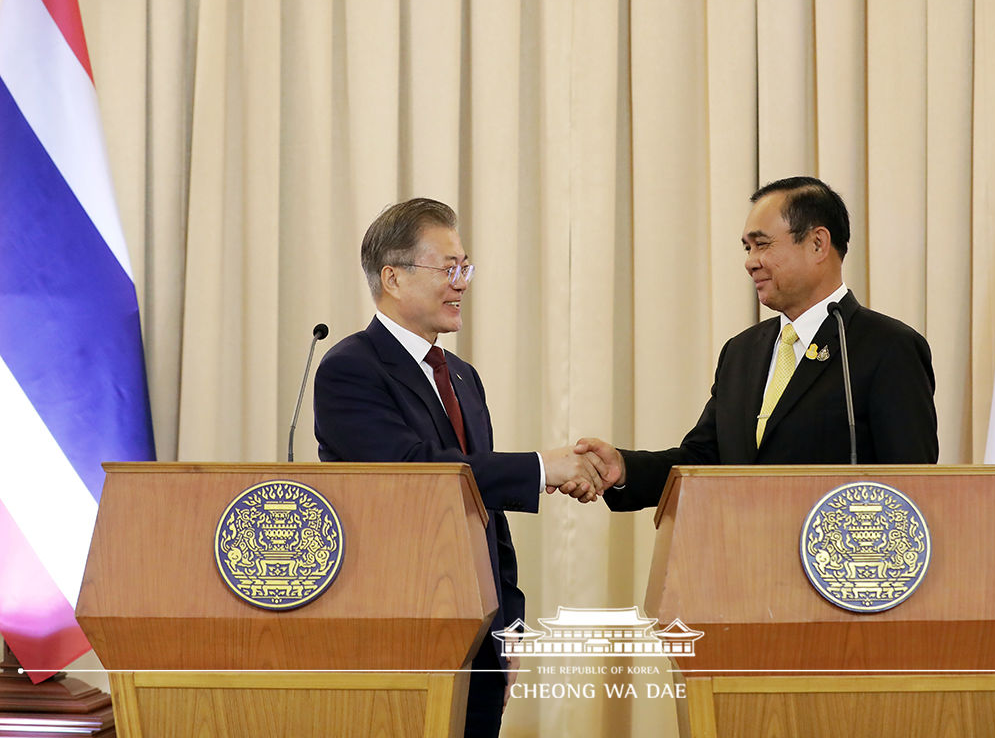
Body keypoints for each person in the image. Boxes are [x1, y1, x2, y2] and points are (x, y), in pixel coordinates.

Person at [313, 198, 602, 738]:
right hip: (398, 631)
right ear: (393, 278)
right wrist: (543, 467)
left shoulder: (462, 376)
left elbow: (485, 512)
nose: (462, 283)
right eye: (448, 269)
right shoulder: (350, 368)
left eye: (464, 267)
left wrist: (510, 623)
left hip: (480, 635)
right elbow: (416, 472)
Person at [570, 176, 938, 509]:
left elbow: (911, 488)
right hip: (742, 564)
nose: (750, 262)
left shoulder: (889, 348)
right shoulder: (742, 351)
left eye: (761, 245)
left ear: (817, 244)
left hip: (837, 574)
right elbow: (704, 460)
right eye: (747, 248)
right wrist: (623, 468)